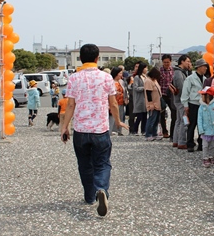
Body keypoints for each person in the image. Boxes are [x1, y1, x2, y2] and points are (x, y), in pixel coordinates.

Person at [60, 43, 129, 217]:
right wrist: (118, 122)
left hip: (81, 130)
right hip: (100, 129)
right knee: (102, 163)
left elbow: (70, 105)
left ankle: (90, 196)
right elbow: (113, 103)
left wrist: (64, 127)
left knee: (84, 165)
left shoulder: (74, 78)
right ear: (97, 58)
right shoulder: (106, 78)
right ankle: (102, 189)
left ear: (81, 59)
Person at [181, 58, 209, 152]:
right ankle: (190, 144)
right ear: (199, 67)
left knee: (202, 125)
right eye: (204, 66)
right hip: (193, 103)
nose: (205, 68)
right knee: (192, 125)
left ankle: (201, 143)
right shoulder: (190, 78)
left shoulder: (205, 79)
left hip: (202, 104)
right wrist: (185, 105)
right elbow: (185, 92)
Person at [171, 55, 192, 149]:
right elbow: (183, 88)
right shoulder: (179, 74)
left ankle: (176, 141)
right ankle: (182, 142)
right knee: (184, 121)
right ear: (182, 62)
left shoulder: (179, 72)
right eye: (187, 61)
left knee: (178, 121)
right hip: (181, 101)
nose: (189, 63)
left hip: (178, 100)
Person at [144, 67, 164, 141]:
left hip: (157, 103)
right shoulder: (148, 81)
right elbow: (148, 93)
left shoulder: (154, 80)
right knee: (151, 120)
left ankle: (154, 134)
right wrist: (150, 104)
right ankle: (148, 135)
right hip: (153, 104)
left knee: (156, 120)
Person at [159, 54, 175, 139]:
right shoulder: (159, 71)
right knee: (162, 113)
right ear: (162, 62)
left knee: (174, 112)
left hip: (172, 94)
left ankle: (173, 132)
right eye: (164, 62)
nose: (166, 64)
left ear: (170, 62)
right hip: (162, 94)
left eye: (168, 62)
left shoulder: (173, 70)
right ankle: (164, 131)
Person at [110, 67, 127, 136]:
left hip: (121, 101)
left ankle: (119, 130)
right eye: (120, 73)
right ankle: (113, 130)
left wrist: (126, 98)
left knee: (120, 115)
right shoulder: (111, 81)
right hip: (114, 101)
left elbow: (125, 90)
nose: (121, 75)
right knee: (114, 115)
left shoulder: (121, 81)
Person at [133, 63, 148, 136]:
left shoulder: (146, 77)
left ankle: (143, 130)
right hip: (139, 98)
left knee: (145, 115)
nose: (146, 69)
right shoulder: (137, 77)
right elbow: (135, 88)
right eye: (145, 68)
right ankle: (135, 130)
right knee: (139, 116)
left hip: (145, 99)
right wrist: (144, 88)